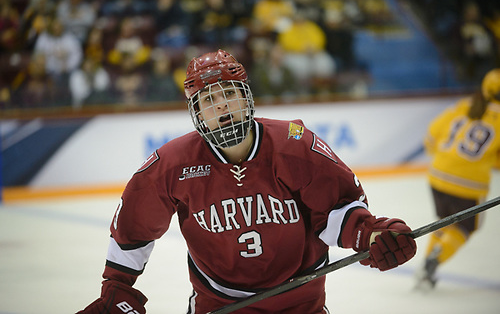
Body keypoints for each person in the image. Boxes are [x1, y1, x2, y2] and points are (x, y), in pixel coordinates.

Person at [77, 49, 417, 313]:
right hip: (220, 305)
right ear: (196, 112)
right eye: (208, 100)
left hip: (300, 301)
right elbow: (134, 229)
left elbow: (336, 212)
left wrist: (371, 234)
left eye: (229, 94)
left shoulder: (295, 145)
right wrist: (118, 287)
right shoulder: (172, 165)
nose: (222, 107)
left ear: (246, 96)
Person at [415, 68, 500, 290]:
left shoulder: (465, 105)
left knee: (444, 219)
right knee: (464, 228)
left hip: (437, 174)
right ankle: (435, 259)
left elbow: (431, 136)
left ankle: (426, 267)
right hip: (469, 184)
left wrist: (446, 160)